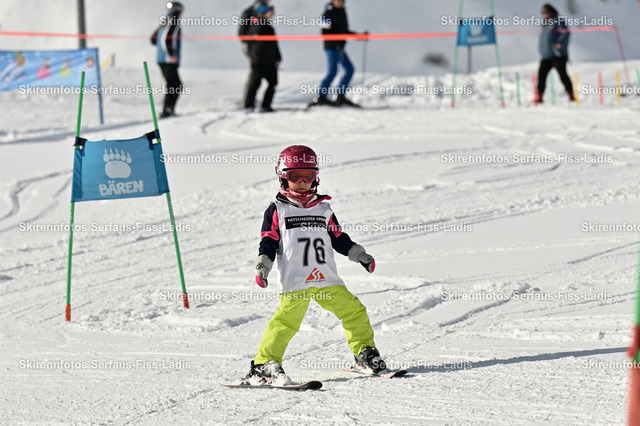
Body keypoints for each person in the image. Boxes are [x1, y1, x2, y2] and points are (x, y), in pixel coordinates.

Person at [244, 145, 386, 386]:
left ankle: (364, 354)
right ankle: (263, 365)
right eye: (295, 176)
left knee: (354, 311)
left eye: (307, 176)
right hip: (296, 281)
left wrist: (359, 254)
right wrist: (263, 265)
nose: (302, 182)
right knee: (285, 323)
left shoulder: (324, 209)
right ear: (282, 177)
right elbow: (268, 241)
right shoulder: (278, 209)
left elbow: (339, 238)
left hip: (326, 279)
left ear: (316, 178)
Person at [309, 0, 366, 108]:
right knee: (332, 72)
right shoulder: (327, 13)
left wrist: (360, 36)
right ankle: (321, 96)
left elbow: (345, 31)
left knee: (349, 69)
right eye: (338, 1)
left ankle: (340, 96)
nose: (340, 2)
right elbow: (324, 32)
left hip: (340, 48)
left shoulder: (342, 13)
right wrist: (336, 41)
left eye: (342, 1)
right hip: (331, 47)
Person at [243, 3, 281, 113]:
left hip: (270, 61)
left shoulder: (269, 27)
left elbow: (274, 44)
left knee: (273, 83)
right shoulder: (257, 24)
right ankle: (248, 106)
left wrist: (278, 57)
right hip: (259, 60)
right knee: (255, 83)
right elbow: (253, 37)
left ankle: (266, 106)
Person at [536, 3, 574, 104]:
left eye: (546, 12)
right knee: (541, 76)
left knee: (563, 75)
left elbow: (566, 32)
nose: (544, 14)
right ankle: (539, 96)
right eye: (542, 12)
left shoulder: (558, 21)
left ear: (551, 11)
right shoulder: (544, 24)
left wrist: (560, 42)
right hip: (546, 55)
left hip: (558, 55)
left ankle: (571, 95)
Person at [151, 2, 184, 118]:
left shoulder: (164, 21)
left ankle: (168, 109)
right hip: (168, 60)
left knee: (173, 84)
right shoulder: (174, 21)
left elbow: (153, 39)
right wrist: (171, 54)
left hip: (162, 59)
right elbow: (167, 39)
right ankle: (168, 110)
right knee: (175, 85)